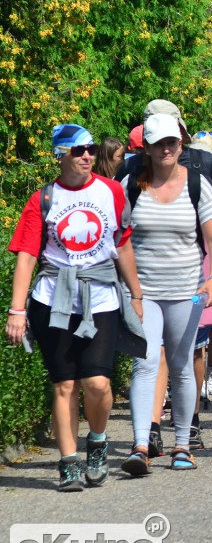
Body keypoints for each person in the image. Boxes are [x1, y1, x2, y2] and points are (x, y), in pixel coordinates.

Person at [6, 124, 144, 491]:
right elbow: (27, 255)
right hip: (54, 299)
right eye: (78, 150)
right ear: (60, 155)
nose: (87, 155)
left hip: (100, 297)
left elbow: (123, 244)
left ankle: (96, 442)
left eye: (91, 149)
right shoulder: (43, 199)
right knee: (64, 384)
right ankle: (68, 462)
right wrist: (17, 310)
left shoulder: (111, 192)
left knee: (97, 382)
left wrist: (136, 294)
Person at [120, 113, 212, 474]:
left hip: (187, 292)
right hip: (143, 292)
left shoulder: (197, 183)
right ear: (146, 148)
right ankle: (140, 445)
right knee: (145, 364)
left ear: (181, 145)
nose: (167, 148)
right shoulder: (130, 184)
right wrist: (130, 289)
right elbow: (117, 238)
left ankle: (183, 444)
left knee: (181, 366)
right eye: (159, 143)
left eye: (173, 142)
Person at [115, 99, 212, 223]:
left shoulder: (203, 161)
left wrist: (204, 234)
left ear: (180, 133)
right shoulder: (130, 167)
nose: (165, 149)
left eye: (171, 141)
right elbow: (112, 213)